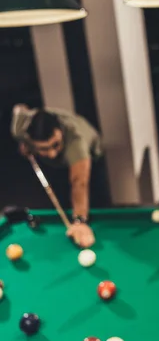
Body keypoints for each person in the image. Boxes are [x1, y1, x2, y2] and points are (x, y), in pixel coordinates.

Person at [11, 105, 108, 248]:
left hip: (92, 161)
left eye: (55, 145)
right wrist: (24, 143)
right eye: (44, 148)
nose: (52, 154)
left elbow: (79, 182)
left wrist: (80, 221)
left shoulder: (76, 140)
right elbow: (19, 109)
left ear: (60, 132)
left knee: (91, 202)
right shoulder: (20, 130)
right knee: (59, 199)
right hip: (55, 168)